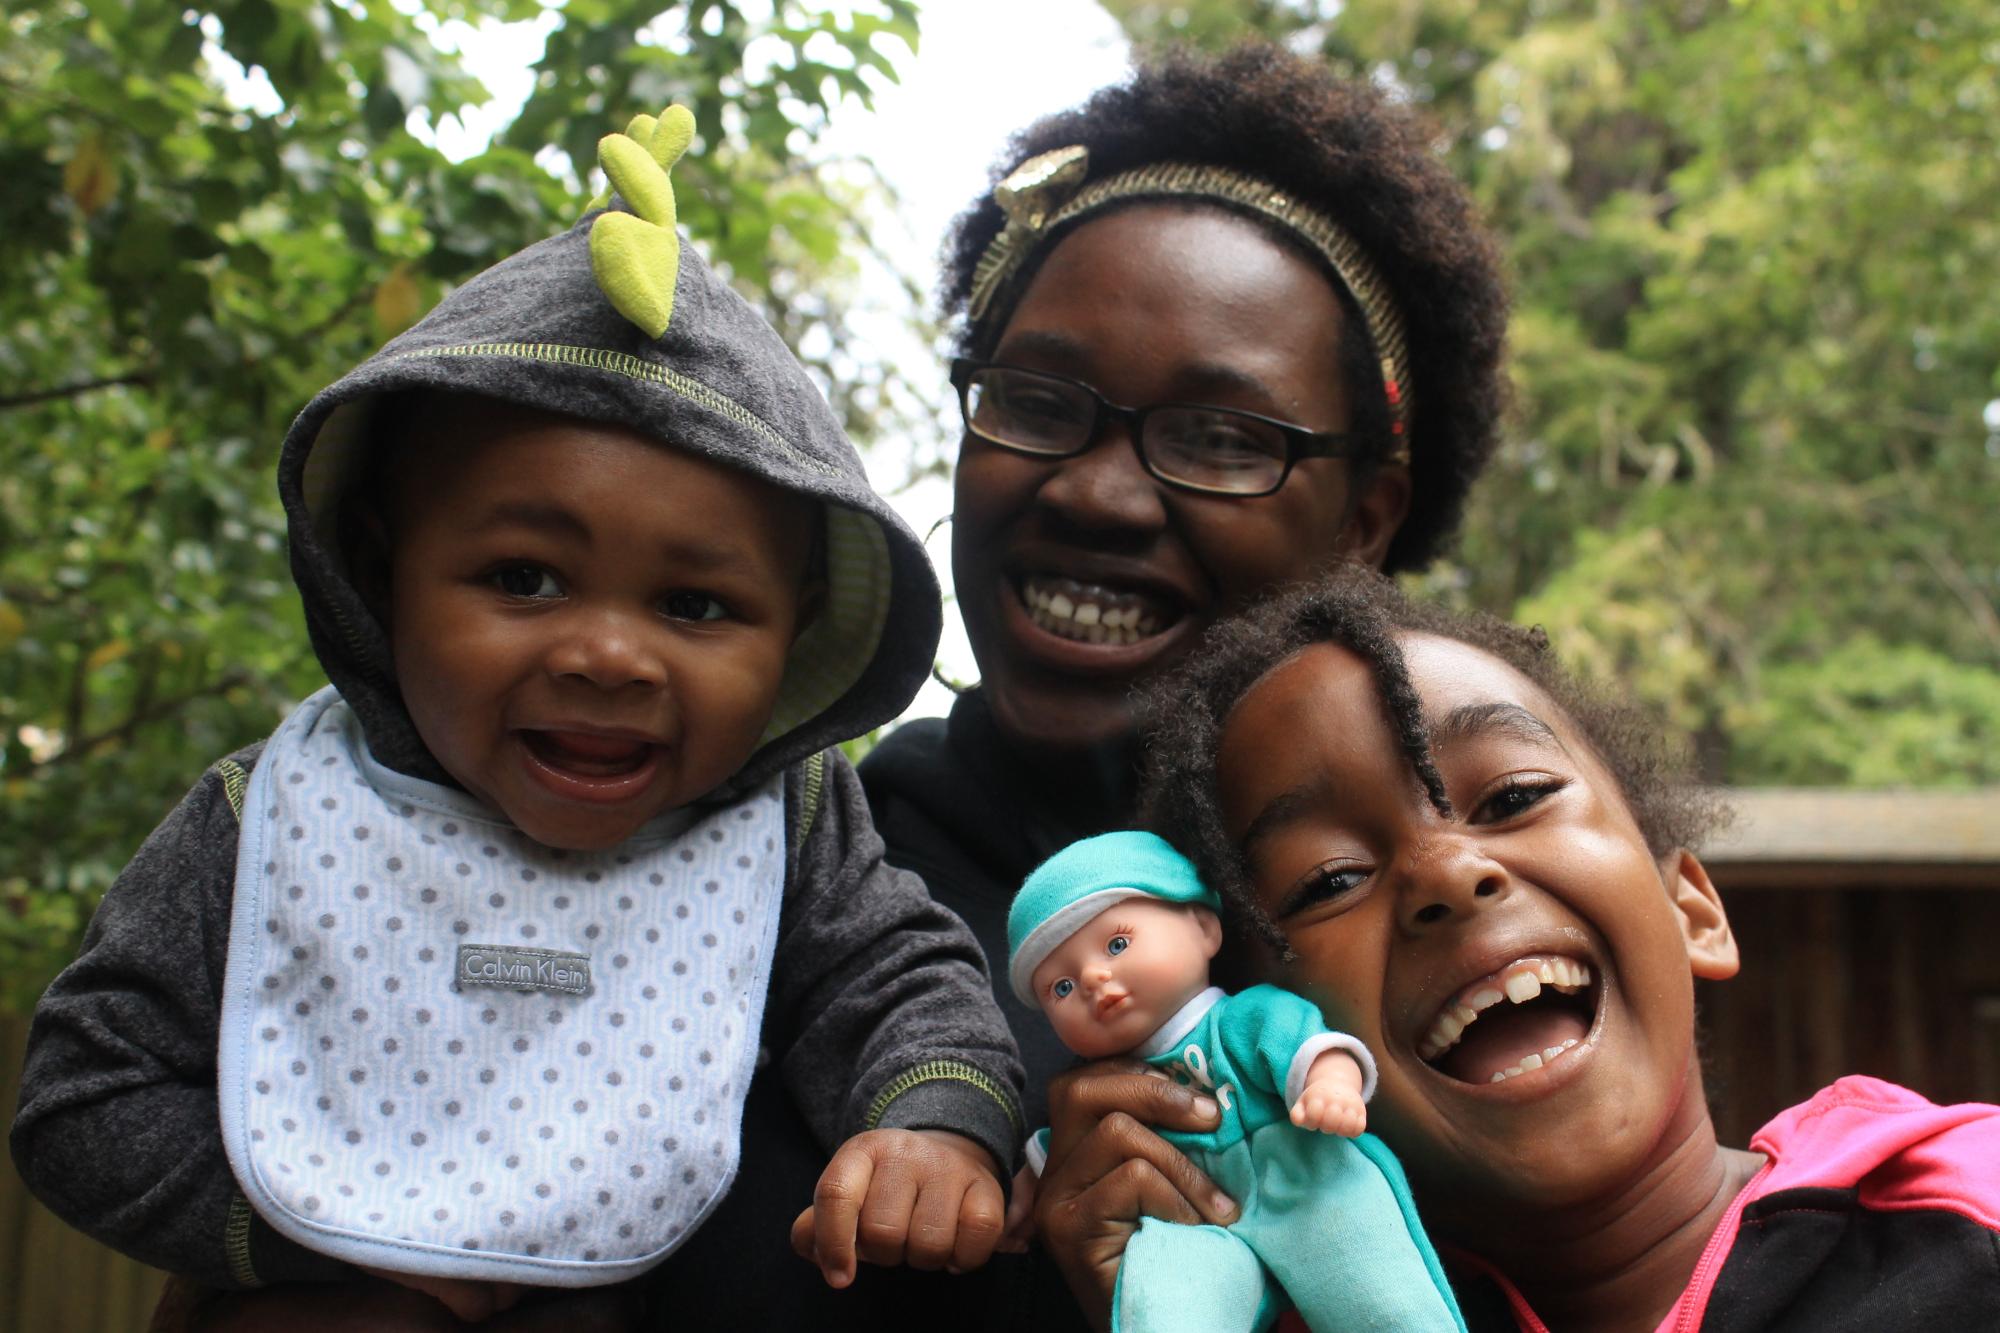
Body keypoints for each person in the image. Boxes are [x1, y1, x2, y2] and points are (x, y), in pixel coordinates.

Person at [11, 107, 1022, 1326]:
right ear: (381, 571)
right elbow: (83, 1093)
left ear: (797, 632)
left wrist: (930, 1123)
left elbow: (899, 979)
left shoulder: (784, 823)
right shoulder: (277, 818)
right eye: (521, 578)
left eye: (695, 602)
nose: (606, 653)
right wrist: (323, 1233)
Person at [663, 42, 1509, 1329]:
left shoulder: (1463, 908)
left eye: (1221, 437)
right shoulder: (786, 893)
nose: (1096, 492)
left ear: (1364, 522)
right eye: (1038, 402)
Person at [1030, 567, 2000, 1330]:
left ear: (1690, 908)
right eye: (1327, 880)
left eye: (1512, 798)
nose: (1447, 873)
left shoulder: (1964, 1205)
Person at [1008, 830, 1462, 1333]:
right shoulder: (1100, 1088)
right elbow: (1062, 1161)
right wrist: (1023, 1194)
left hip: (1298, 1178)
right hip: (1187, 1223)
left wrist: (1331, 1087)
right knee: (1162, 1303)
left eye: (1117, 943)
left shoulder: (1243, 1018)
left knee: (1375, 1290)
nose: (1093, 979)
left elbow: (1313, 1048)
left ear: (1204, 927)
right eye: (1062, 987)